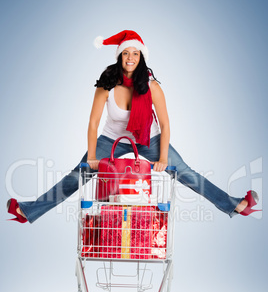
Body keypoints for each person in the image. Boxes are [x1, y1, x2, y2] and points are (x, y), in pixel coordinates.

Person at [7, 30, 260, 224]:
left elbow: (165, 122)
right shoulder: (106, 84)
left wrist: (162, 157)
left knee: (186, 173)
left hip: (148, 139)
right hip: (111, 140)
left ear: (141, 57)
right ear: (120, 56)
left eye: (135, 53)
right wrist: (93, 156)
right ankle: (27, 211)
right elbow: (94, 123)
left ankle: (235, 205)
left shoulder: (152, 86)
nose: (130, 58)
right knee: (78, 176)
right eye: (126, 53)